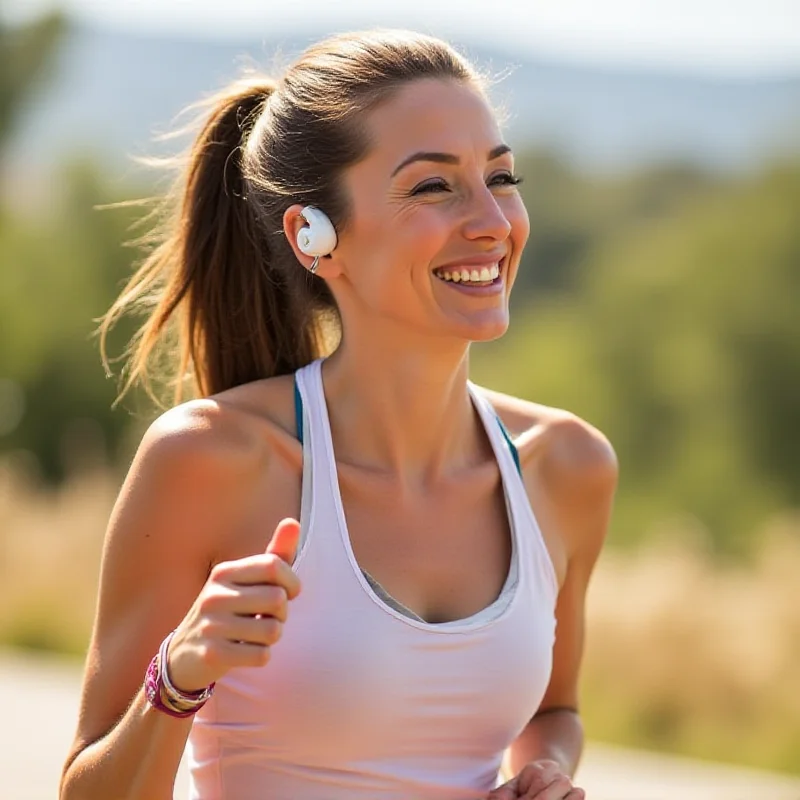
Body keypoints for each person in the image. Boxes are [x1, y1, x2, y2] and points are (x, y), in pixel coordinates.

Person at [59, 28, 616, 800]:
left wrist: (542, 774)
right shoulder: (209, 461)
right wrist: (179, 676)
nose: (493, 220)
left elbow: (556, 709)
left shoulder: (566, 465)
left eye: (501, 176)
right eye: (433, 187)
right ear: (315, 237)